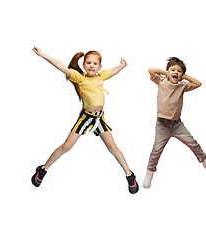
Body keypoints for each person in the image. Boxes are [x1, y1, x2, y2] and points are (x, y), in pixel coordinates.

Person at [30, 46, 138, 194]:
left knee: (113, 147)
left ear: (100, 67)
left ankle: (130, 175)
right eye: (88, 63)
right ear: (83, 65)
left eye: (95, 63)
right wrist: (42, 55)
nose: (91, 66)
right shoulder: (79, 78)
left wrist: (123, 65)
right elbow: (61, 66)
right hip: (86, 118)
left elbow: (114, 71)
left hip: (99, 118)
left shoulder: (102, 76)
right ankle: (43, 169)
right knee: (67, 146)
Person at [142, 57, 206, 189]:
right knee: (156, 149)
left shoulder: (183, 85)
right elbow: (150, 70)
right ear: (167, 71)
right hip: (162, 125)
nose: (176, 73)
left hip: (177, 124)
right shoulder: (161, 80)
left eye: (179, 71)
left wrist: (183, 76)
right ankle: (150, 172)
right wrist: (167, 72)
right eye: (173, 70)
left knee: (193, 143)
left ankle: (205, 161)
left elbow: (198, 83)